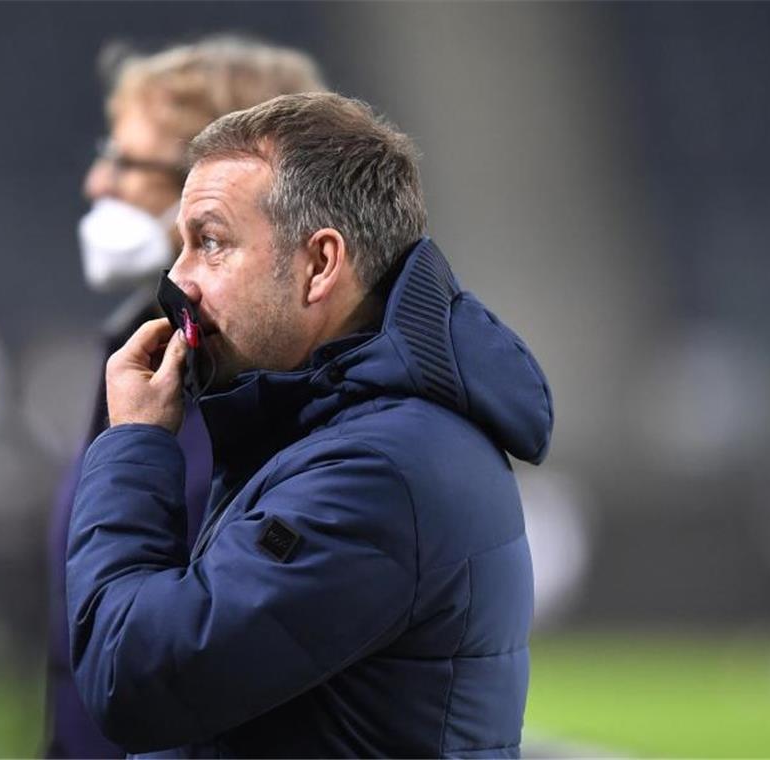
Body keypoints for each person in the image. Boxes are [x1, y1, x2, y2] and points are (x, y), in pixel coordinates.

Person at [67, 92, 554, 757]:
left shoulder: (380, 471)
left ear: (320, 264)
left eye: (210, 242)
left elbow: (133, 675)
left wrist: (134, 444)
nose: (178, 280)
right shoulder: (326, 431)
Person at [46, 37, 326, 758]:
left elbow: (190, 650)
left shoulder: (270, 392)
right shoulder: (141, 349)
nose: (98, 184)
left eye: (128, 162)